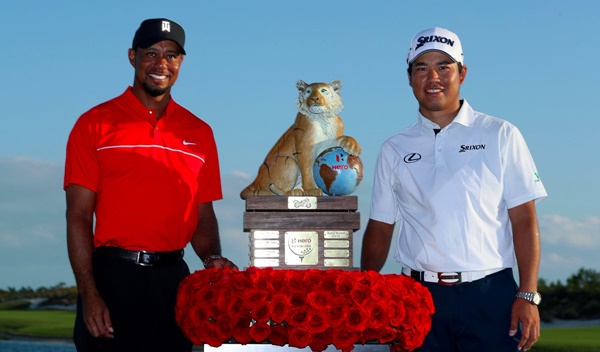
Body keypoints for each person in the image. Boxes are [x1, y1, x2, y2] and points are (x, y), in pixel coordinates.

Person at [360, 27, 547, 352]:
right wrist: (363, 286)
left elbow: (524, 219)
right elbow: (380, 225)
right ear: (409, 78)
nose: (433, 77)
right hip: (417, 299)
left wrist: (528, 294)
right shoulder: (394, 148)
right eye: (421, 68)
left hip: (490, 296)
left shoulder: (501, 134)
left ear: (462, 72)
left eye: (443, 66)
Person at [64, 18, 237, 352]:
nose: (162, 64)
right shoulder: (93, 124)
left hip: (174, 281)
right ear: (133, 57)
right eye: (152, 53)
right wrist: (89, 293)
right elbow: (79, 216)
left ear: (181, 63)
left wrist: (211, 255)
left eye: (171, 55)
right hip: (113, 279)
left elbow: (202, 212)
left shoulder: (200, 133)